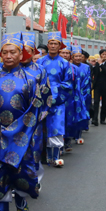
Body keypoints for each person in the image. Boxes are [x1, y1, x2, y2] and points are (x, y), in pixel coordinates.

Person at [0, 33, 47, 211]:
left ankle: (21, 200)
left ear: (21, 54)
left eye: (13, 52)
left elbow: (35, 107)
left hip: (22, 134)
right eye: (5, 52)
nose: (8, 56)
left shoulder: (31, 78)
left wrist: (18, 131)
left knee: (20, 170)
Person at [37, 32, 74, 166]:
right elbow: (35, 81)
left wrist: (56, 96)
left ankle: (56, 156)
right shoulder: (40, 62)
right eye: (51, 43)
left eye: (55, 44)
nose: (53, 46)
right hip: (42, 101)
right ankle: (45, 156)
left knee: (57, 126)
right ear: (47, 45)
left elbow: (68, 83)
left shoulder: (65, 63)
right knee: (43, 127)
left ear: (60, 46)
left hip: (58, 101)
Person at [69, 45, 91, 141]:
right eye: (76, 56)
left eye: (80, 56)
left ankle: (78, 135)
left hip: (83, 94)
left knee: (80, 115)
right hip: (71, 94)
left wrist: (82, 94)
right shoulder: (68, 67)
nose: (78, 58)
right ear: (72, 57)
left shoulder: (86, 67)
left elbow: (87, 81)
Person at [91, 49, 106, 123]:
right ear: (100, 55)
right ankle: (95, 119)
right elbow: (93, 73)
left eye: (105, 54)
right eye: (103, 54)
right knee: (96, 102)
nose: (104, 56)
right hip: (97, 86)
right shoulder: (96, 63)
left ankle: (102, 119)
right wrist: (93, 65)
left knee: (104, 103)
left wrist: (101, 64)